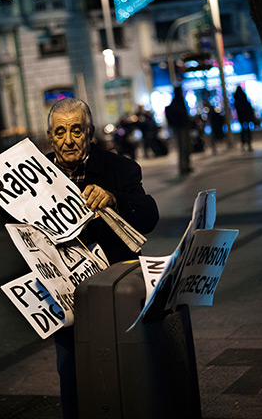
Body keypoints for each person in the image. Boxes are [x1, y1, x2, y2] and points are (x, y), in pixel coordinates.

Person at [44, 98, 159, 419]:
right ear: (50, 137)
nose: (69, 140)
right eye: (61, 132)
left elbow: (149, 216)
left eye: (76, 130)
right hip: (67, 298)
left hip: (114, 295)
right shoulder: (36, 174)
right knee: (72, 377)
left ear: (90, 133)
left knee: (124, 375)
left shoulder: (118, 168)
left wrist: (114, 200)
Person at [165, 85, 193, 174]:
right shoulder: (177, 103)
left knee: (185, 147)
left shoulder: (178, 102)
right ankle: (184, 166)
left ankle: (185, 165)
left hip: (182, 127)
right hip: (181, 128)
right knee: (183, 147)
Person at [233, 85, 256, 151]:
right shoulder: (243, 98)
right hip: (246, 116)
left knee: (243, 130)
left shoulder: (236, 100)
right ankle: (248, 142)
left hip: (241, 117)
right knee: (247, 129)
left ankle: (243, 143)